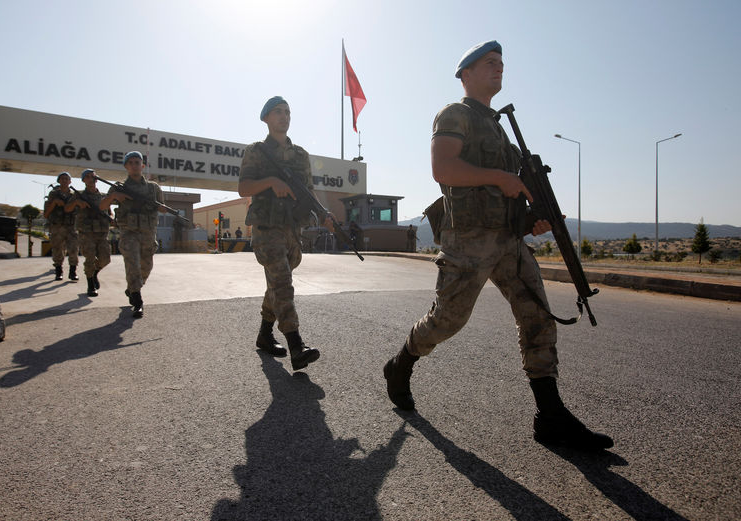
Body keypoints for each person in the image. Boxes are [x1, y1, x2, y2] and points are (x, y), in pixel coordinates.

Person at [383, 41, 613, 451]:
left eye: (502, 65)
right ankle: (401, 364)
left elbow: (508, 193)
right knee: (446, 322)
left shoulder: (499, 127)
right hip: (467, 241)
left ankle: (551, 416)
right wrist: (500, 177)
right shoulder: (455, 114)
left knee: (538, 317)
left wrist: (530, 218)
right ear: (465, 74)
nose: (499, 69)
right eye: (490, 64)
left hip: (507, 240)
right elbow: (444, 168)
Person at [238, 96, 333, 371]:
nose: (284, 116)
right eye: (278, 112)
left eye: (288, 112)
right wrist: (271, 182)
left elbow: (308, 191)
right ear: (266, 118)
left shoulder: (301, 155)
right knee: (282, 283)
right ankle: (296, 345)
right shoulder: (256, 151)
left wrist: (324, 214)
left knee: (277, 283)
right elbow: (244, 188)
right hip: (267, 228)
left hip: (292, 227)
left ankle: (265, 334)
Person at [100, 151, 165, 318]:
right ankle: (137, 300)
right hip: (129, 232)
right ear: (126, 166)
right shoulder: (119, 187)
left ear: (142, 166)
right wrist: (114, 196)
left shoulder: (153, 188)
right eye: (131, 162)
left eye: (137, 162)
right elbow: (101, 206)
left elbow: (162, 207)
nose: (135, 165)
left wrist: (160, 206)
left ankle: (132, 288)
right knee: (132, 265)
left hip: (148, 233)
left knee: (146, 267)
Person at [66, 169, 111, 297]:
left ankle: (94, 273)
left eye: (93, 176)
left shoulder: (103, 196)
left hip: (102, 232)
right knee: (90, 258)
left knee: (105, 259)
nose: (91, 178)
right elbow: (67, 208)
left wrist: (112, 219)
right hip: (86, 232)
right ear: (83, 180)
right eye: (87, 177)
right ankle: (90, 284)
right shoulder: (79, 195)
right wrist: (76, 202)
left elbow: (109, 211)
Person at [44, 172, 79, 281]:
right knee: (57, 249)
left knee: (73, 249)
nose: (64, 181)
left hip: (71, 226)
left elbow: (78, 211)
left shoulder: (74, 195)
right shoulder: (53, 194)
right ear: (59, 181)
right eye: (62, 179)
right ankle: (58, 271)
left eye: (66, 179)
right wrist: (54, 203)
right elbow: (46, 213)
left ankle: (73, 271)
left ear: (70, 182)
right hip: (57, 226)